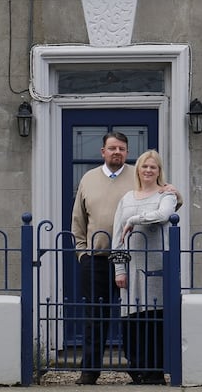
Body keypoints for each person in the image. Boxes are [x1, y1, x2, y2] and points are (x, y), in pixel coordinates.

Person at [70, 132, 178, 385]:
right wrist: (82, 252)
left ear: (127, 152)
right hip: (96, 259)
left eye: (121, 148)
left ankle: (139, 369)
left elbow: (165, 200)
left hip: (134, 261)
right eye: (112, 148)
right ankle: (89, 372)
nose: (117, 152)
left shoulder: (139, 173)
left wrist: (175, 192)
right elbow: (78, 220)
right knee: (95, 316)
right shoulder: (89, 178)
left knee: (136, 315)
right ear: (103, 152)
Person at [110, 149, 180, 386]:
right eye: (145, 166)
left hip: (156, 268)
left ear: (159, 171)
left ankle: (155, 373)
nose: (149, 170)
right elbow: (117, 235)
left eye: (154, 167)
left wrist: (134, 220)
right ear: (138, 169)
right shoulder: (127, 198)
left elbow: (163, 215)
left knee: (154, 320)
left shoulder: (166, 194)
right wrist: (119, 269)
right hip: (131, 269)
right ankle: (136, 370)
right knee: (131, 321)